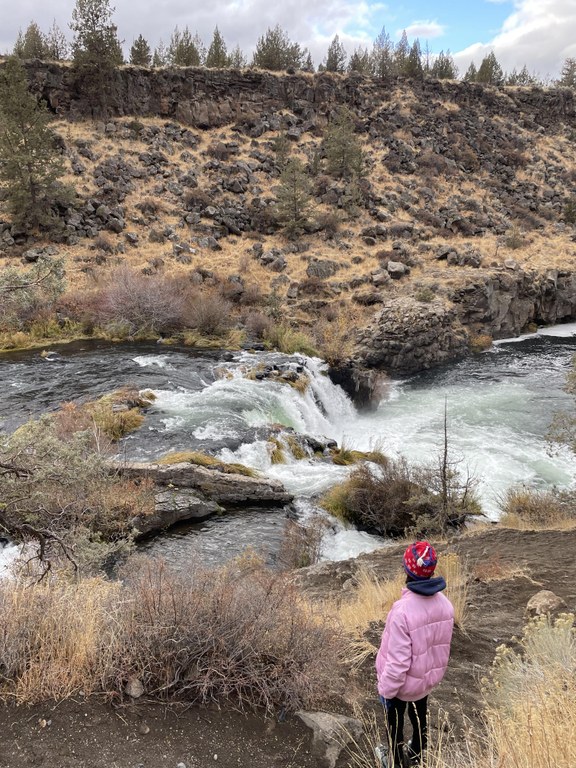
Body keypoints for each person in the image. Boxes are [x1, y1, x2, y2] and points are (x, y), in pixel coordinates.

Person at [375, 541, 454, 767]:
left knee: (395, 724)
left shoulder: (402, 611)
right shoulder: (446, 605)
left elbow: (398, 663)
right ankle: (418, 752)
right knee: (419, 715)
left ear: (407, 570)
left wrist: (387, 691)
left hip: (401, 687)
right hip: (426, 680)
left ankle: (395, 761)